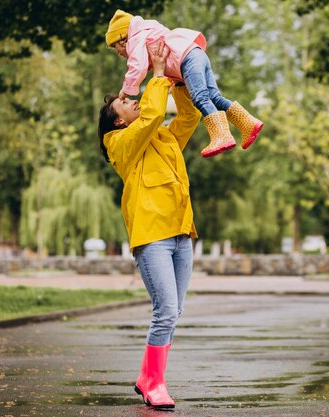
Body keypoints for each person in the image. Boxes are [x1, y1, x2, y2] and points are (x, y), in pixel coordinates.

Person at [97, 42, 197, 410]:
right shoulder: (119, 142)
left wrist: (180, 81)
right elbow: (153, 114)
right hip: (151, 237)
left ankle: (147, 377)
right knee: (165, 311)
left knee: (174, 312)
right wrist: (156, 76)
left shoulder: (160, 135)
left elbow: (186, 120)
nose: (133, 100)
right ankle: (154, 383)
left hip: (180, 233)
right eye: (125, 102)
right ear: (118, 120)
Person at [105, 9, 263, 158]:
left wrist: (125, 90)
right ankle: (248, 123)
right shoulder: (148, 32)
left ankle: (221, 135)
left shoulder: (135, 40)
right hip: (195, 53)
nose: (118, 53)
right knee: (214, 97)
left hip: (186, 60)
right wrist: (174, 81)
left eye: (115, 47)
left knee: (200, 98)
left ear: (123, 40)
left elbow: (137, 67)